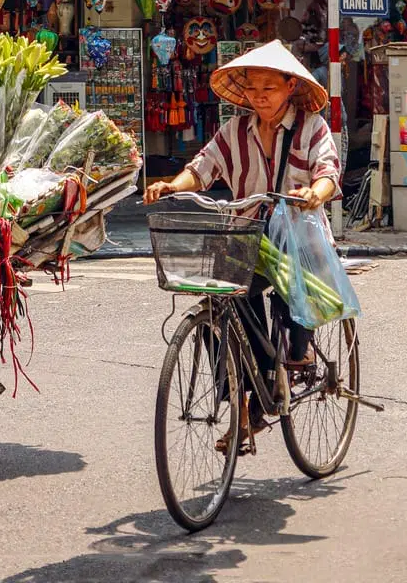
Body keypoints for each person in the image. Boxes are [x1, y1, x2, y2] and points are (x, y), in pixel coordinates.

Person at [144, 40, 341, 426]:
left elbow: (328, 173)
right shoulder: (235, 130)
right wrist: (172, 185)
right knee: (221, 302)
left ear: (289, 87)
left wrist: (312, 195)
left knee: (289, 297)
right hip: (246, 234)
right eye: (252, 89)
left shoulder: (312, 129)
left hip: (296, 239)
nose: (259, 97)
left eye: (268, 89)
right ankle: (242, 389)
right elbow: (203, 167)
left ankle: (294, 354)